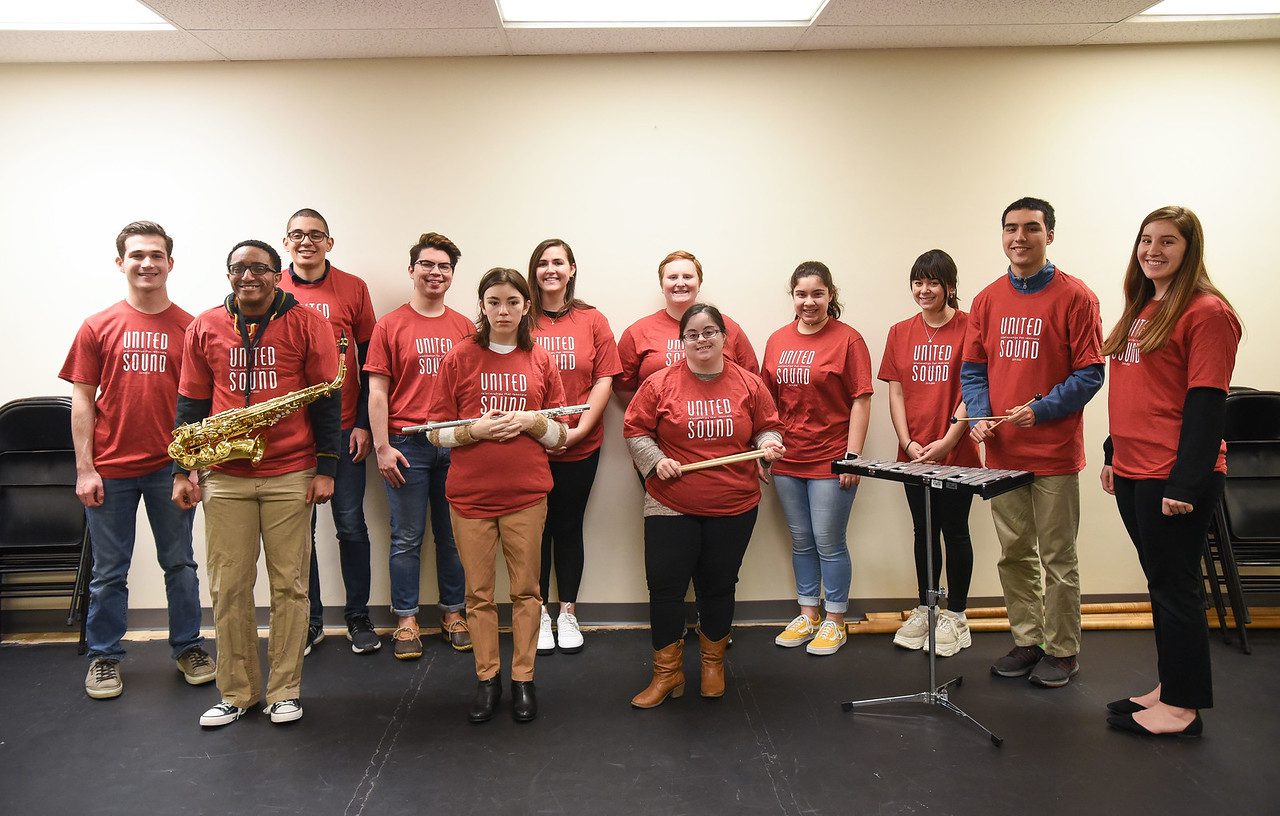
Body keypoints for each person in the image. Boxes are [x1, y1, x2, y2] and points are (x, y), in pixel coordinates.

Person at [173, 239, 340, 728]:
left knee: (290, 584)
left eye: (260, 268)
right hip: (224, 473)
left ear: (277, 273)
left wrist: (327, 467)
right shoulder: (204, 325)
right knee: (228, 585)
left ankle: (285, 690)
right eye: (238, 268)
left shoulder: (309, 322)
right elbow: (190, 403)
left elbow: (327, 401)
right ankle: (237, 692)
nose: (248, 276)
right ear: (229, 275)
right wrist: (184, 470)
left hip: (290, 470)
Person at [1100, 206, 1241, 738]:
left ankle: (1183, 709)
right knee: (1161, 582)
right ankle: (1170, 685)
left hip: (1173, 474)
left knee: (1177, 586)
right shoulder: (1144, 306)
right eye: (1145, 240)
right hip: (1136, 468)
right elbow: (1136, 392)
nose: (1153, 250)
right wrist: (1114, 450)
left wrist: (1186, 483)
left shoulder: (1206, 313)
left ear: (1190, 249)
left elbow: (1207, 404)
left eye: (1168, 242)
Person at [61, 221, 214, 700]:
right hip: (111, 469)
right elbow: (83, 400)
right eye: (136, 255)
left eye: (155, 255)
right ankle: (105, 657)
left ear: (170, 262)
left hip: (170, 469)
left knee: (180, 564)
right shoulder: (97, 326)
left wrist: (192, 468)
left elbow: (204, 404)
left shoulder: (192, 327)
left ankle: (188, 646)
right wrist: (85, 469)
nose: (146, 263)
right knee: (110, 571)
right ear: (120, 262)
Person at [961, 196, 1104, 688]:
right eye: (1010, 228)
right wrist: (980, 414)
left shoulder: (1076, 297)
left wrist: (1040, 409)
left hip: (1055, 455)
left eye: (1031, 228)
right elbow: (973, 369)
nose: (1019, 237)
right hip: (1002, 456)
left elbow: (1090, 373)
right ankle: (1029, 641)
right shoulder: (986, 300)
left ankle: (1062, 651)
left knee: (1058, 557)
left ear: (1050, 235)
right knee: (1014, 553)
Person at [426, 268, 569, 724]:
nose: (503, 310)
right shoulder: (459, 358)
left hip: (527, 495)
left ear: (527, 306)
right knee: (479, 596)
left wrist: (530, 422)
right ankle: (488, 679)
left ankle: (523, 679)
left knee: (528, 592)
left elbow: (561, 434)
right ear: (482, 306)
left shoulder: (541, 360)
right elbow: (434, 434)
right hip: (470, 498)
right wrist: (475, 430)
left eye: (512, 301)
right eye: (493, 302)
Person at [624, 303, 784, 707]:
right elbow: (636, 429)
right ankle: (667, 673)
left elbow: (767, 426)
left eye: (710, 331)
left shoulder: (749, 384)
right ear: (682, 342)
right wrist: (656, 461)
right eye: (693, 334)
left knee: (718, 585)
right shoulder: (660, 384)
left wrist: (766, 445)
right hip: (670, 504)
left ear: (724, 337)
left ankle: (712, 664)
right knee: (665, 589)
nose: (702, 339)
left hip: (733, 504)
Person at [276, 208, 380, 656]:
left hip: (343, 431)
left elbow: (370, 361)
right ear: (286, 242)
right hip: (291, 436)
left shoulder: (353, 288)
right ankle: (310, 620)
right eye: (297, 235)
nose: (306, 242)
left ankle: (357, 616)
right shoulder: (271, 286)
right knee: (300, 535)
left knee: (350, 525)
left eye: (315, 235)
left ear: (329, 243)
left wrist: (362, 424)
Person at [365, 232, 473, 660]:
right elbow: (377, 392)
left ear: (451, 275)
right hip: (405, 445)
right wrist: (381, 447)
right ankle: (406, 620)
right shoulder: (390, 325)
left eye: (444, 266)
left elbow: (473, 390)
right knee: (406, 537)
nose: (435, 272)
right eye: (427, 264)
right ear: (412, 270)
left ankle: (453, 613)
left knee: (453, 537)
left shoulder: (465, 326)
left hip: (455, 443)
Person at [762, 262, 871, 657]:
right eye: (802, 294)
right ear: (792, 296)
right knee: (802, 540)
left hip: (830, 459)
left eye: (817, 293)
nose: (809, 302)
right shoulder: (777, 340)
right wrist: (766, 449)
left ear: (830, 295)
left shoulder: (848, 340)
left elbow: (861, 398)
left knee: (828, 541)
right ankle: (808, 613)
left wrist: (852, 457)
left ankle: (835, 620)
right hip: (788, 460)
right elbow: (767, 403)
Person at [878, 250, 982, 656]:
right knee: (924, 530)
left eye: (933, 282)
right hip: (914, 452)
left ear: (950, 286)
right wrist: (907, 443)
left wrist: (950, 440)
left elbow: (975, 387)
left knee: (955, 531)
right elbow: (897, 391)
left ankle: (956, 615)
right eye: (918, 282)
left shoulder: (971, 326)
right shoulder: (899, 331)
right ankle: (927, 606)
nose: (924, 290)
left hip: (957, 450)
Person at [527, 238, 622, 654]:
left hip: (581, 443)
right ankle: (538, 615)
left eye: (558, 262)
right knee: (533, 530)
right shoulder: (520, 316)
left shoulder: (592, 320)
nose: (551, 269)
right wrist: (536, 430)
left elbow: (605, 379)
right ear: (534, 271)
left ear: (571, 269)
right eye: (543, 263)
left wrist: (580, 430)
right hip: (528, 445)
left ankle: (566, 613)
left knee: (568, 527)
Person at [615, 250, 759, 404]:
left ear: (699, 283)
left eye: (688, 277)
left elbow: (752, 380)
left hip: (721, 422)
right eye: (672, 277)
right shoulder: (638, 331)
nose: (680, 283)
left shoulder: (726, 327)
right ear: (662, 285)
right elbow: (622, 387)